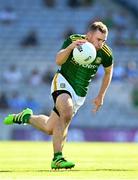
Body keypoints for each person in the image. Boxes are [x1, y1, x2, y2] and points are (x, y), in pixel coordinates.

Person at [4, 21, 114, 169]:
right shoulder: (74, 40)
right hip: (63, 82)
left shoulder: (105, 53)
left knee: (50, 128)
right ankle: (58, 158)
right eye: (98, 39)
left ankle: (25, 117)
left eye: (104, 40)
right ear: (89, 36)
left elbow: (108, 72)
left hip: (79, 93)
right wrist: (70, 48)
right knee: (66, 112)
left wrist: (101, 95)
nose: (101, 44)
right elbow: (58, 60)